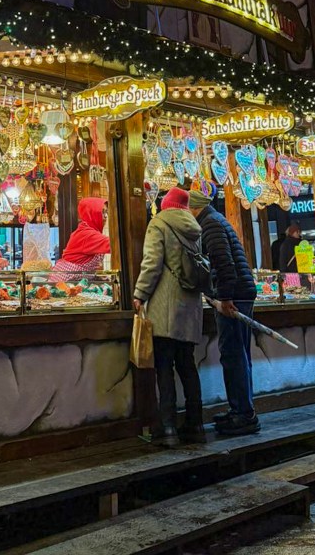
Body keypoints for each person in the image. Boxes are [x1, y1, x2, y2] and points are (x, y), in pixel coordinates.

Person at [133, 187, 205, 446]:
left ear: (166, 204)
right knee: (187, 365)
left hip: (166, 306)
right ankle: (196, 425)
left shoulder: (159, 224)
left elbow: (152, 263)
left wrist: (140, 293)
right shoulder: (195, 228)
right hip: (190, 305)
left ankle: (168, 428)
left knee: (164, 367)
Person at [188, 189, 259, 437]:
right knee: (239, 354)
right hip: (240, 293)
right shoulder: (216, 220)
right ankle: (242, 409)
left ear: (193, 208)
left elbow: (223, 262)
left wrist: (224, 297)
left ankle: (243, 414)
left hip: (235, 296)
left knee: (233, 354)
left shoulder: (210, 224)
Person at [49, 197, 110, 281]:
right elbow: (113, 246)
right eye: (102, 212)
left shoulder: (86, 230)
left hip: (75, 280)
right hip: (66, 281)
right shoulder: (87, 234)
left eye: (106, 212)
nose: (106, 217)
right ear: (92, 214)